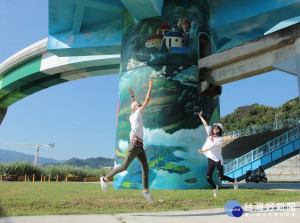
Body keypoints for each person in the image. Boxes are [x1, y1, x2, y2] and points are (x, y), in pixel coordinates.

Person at [100, 78, 154, 203]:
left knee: (145, 168)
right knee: (124, 166)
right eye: (139, 105)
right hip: (134, 145)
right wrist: (150, 86)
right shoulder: (136, 114)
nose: (141, 105)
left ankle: (146, 191)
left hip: (139, 146)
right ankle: (105, 178)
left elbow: (133, 104)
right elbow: (147, 100)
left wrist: (133, 96)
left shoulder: (133, 114)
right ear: (136, 109)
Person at [198, 111, 238, 197]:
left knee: (221, 177)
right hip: (210, 159)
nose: (215, 129)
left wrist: (203, 151)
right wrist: (200, 116)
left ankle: (233, 180)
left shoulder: (220, 139)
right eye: (214, 128)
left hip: (218, 159)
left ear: (219, 130)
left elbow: (211, 147)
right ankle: (214, 188)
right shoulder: (209, 133)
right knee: (208, 177)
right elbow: (205, 124)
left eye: (217, 128)